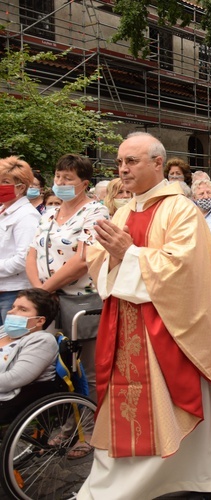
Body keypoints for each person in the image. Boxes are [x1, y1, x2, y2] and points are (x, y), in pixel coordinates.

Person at [78, 132, 211, 499]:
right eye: (119, 163)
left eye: (131, 161)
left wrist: (129, 254)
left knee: (174, 400)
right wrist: (111, 255)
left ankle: (203, 475)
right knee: (134, 405)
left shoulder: (180, 209)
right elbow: (102, 261)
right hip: (128, 325)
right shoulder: (126, 209)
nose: (123, 169)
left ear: (158, 163)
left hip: (171, 327)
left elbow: (185, 269)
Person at [26, 154, 109, 403]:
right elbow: (32, 254)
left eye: (68, 178)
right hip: (48, 300)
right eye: (58, 176)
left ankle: (89, 426)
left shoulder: (95, 211)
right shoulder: (49, 214)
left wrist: (44, 290)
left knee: (86, 370)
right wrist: (39, 290)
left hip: (81, 302)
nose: (60, 182)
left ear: (84, 183)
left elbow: (84, 260)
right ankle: (61, 419)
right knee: (53, 367)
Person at [0, 288, 62, 424]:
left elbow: (14, 379)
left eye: (22, 309)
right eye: (13, 307)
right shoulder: (4, 331)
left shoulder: (42, 341)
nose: (11, 312)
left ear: (40, 321)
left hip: (10, 398)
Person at [0, 157, 41, 323]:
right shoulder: (3, 210)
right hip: (4, 290)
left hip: (13, 293)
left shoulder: (27, 215)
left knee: (9, 343)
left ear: (21, 187)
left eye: (4, 181)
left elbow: (24, 258)